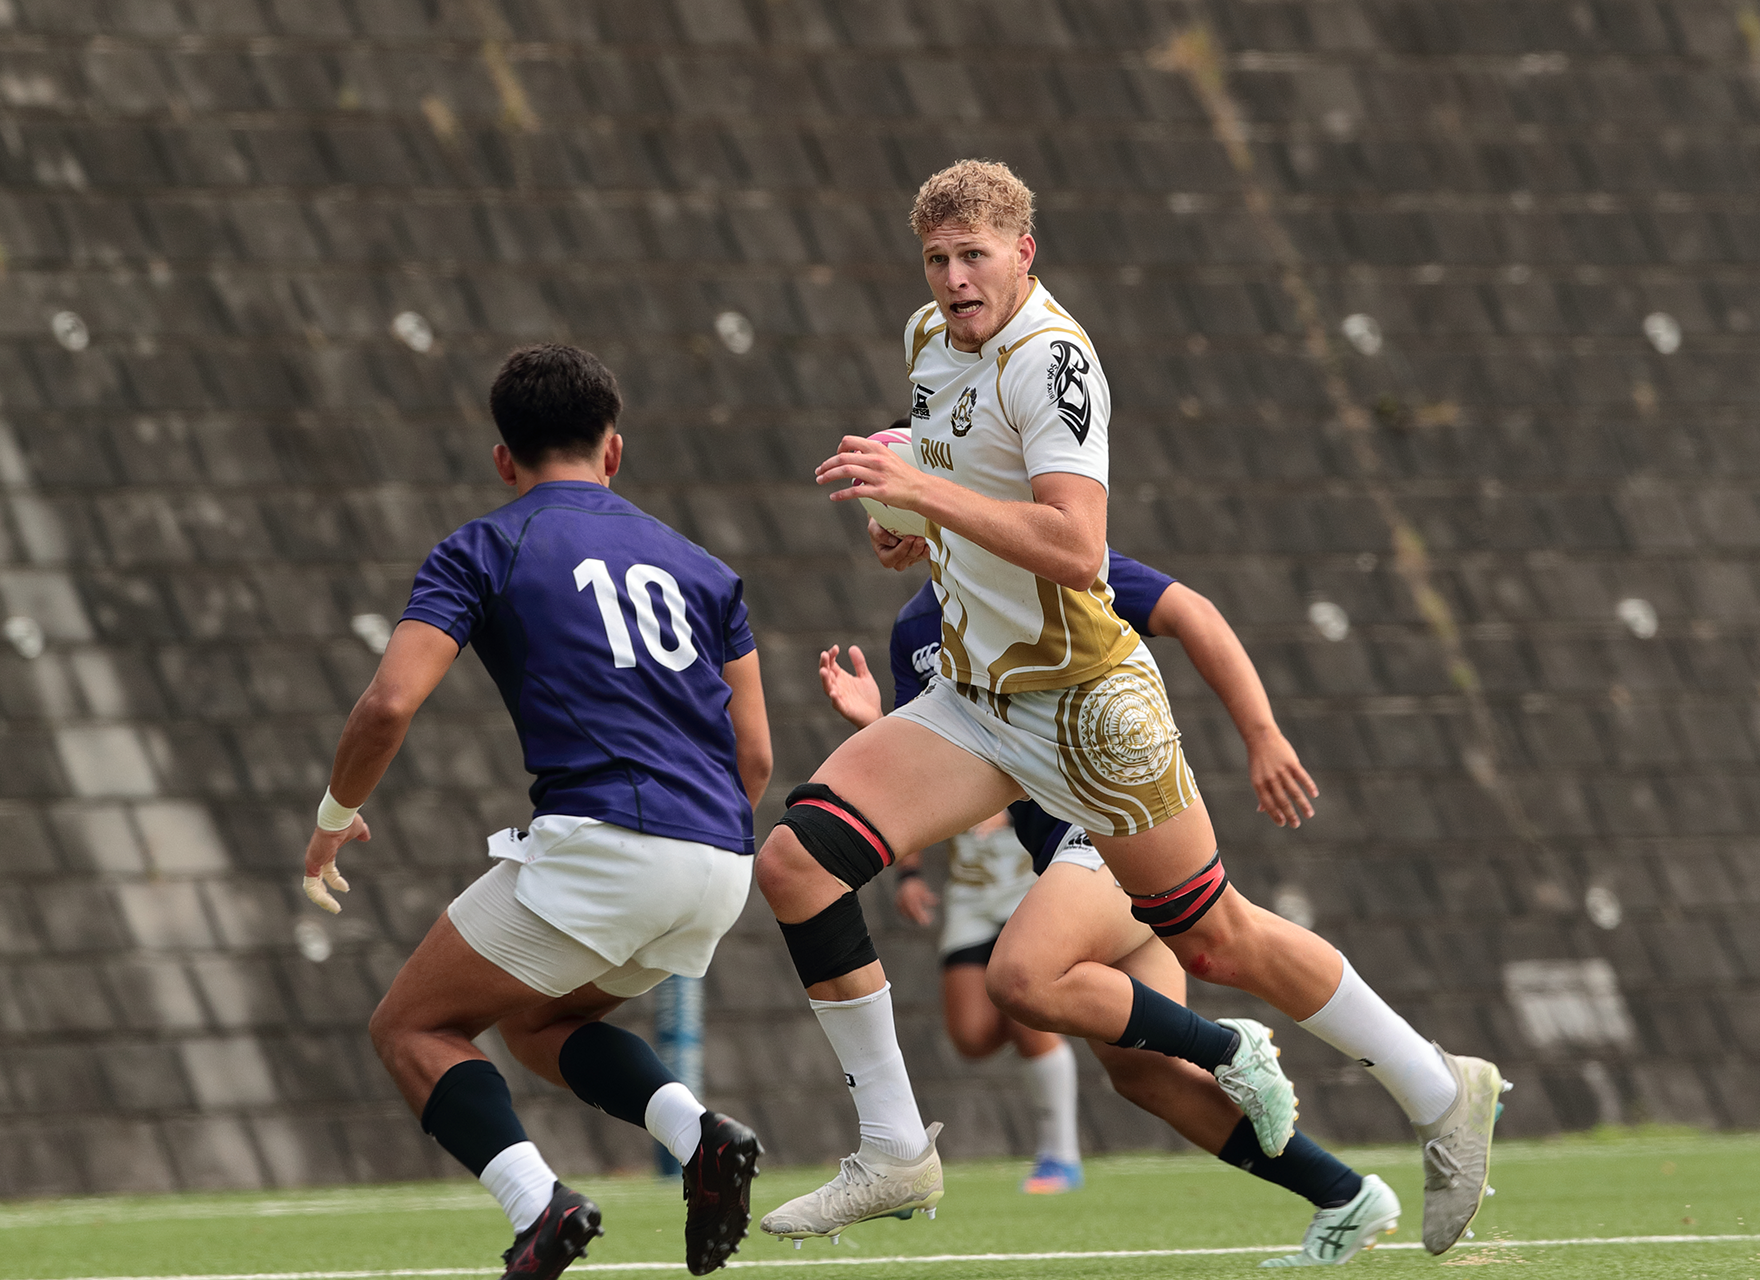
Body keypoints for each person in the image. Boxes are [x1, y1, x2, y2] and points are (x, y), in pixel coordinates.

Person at [755, 159, 1503, 1257]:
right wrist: (911, 528)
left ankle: (1441, 1089)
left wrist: (929, 494)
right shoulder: (929, 339)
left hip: (1089, 705)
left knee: (1217, 939)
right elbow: (959, 493)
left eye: (975, 256)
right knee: (794, 862)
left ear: (1024, 253)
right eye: (938, 259)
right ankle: (895, 1146)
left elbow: (1076, 545)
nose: (955, 279)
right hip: (976, 697)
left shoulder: (1054, 359)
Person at [300, 345, 771, 1280]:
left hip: (608, 844)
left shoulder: (485, 546)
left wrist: (331, 817)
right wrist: (692, 842)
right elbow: (753, 755)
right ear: (614, 450)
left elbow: (388, 705)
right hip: (722, 858)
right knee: (537, 1026)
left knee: (411, 1029)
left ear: (502, 461)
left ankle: (539, 1206)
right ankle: (700, 1136)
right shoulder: (706, 570)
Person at [818, 551, 1403, 1266]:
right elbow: (942, 773)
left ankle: (1240, 1050)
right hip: (1066, 859)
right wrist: (877, 724)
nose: (878, 518)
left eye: (888, 495)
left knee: (1023, 978)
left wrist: (1261, 734)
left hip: (1109, 827)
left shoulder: (1047, 558)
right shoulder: (914, 627)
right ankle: (1344, 1194)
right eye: (870, 505)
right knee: (1143, 1072)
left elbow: (1191, 611)